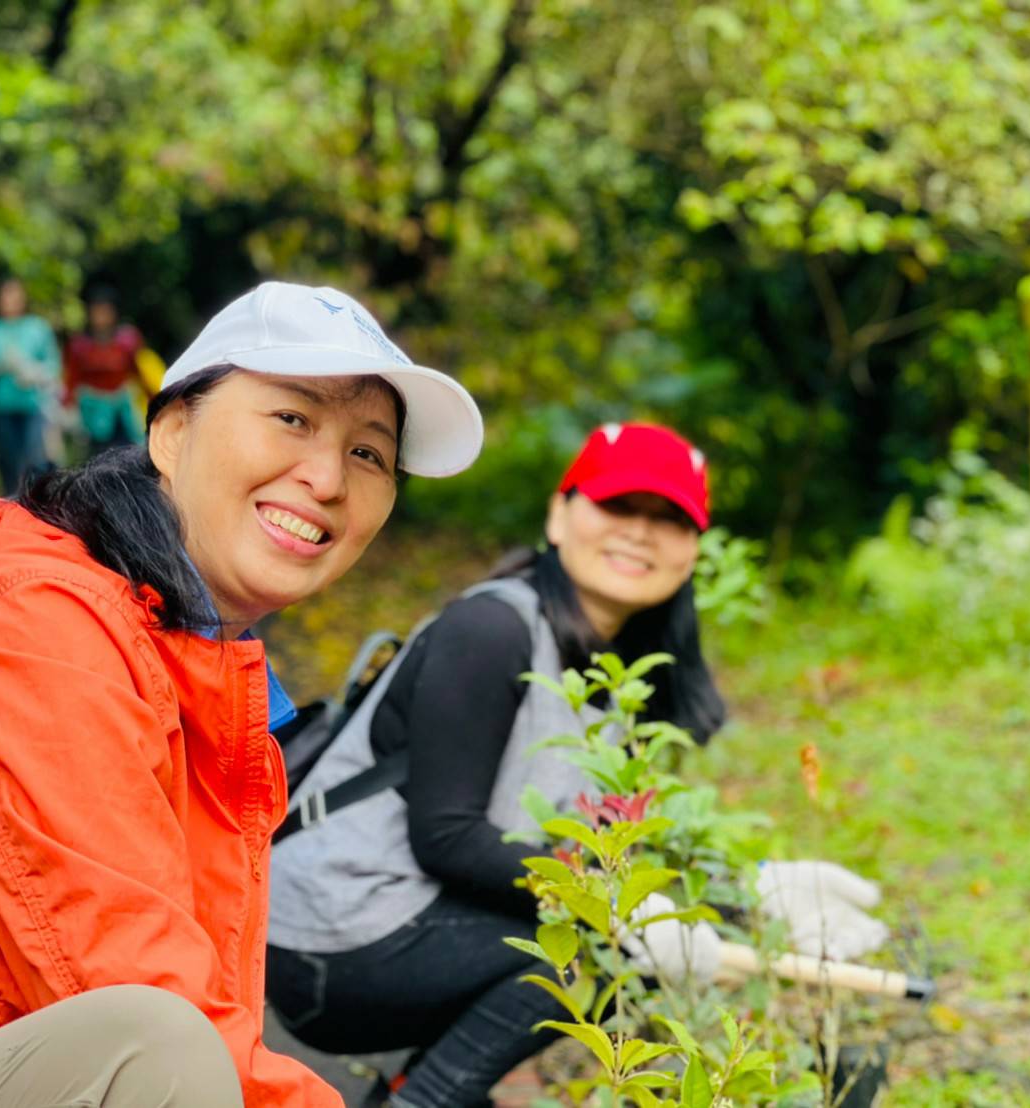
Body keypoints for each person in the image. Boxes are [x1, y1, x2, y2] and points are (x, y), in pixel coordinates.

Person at [0, 281, 484, 1108]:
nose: (329, 477)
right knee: (157, 1043)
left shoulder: (189, 662)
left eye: (370, 452)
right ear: (172, 428)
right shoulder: (36, 627)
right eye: (292, 418)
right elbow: (144, 990)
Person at [267, 422, 890, 1108]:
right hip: (326, 938)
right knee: (610, 944)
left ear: (693, 550)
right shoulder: (493, 630)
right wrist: (625, 911)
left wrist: (752, 894)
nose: (641, 533)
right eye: (619, 505)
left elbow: (608, 848)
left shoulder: (618, 679)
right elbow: (447, 837)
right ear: (559, 515)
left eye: (671, 519)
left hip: (411, 920)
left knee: (629, 930)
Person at [0, 276, 61, 494]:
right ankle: (10, 505)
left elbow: (52, 363)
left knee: (35, 459)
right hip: (0, 407)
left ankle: (36, 509)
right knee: (8, 461)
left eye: (14, 295)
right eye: (4, 295)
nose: (9, 300)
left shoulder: (37, 327)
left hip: (32, 404)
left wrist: (36, 372)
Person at [63, 284, 153, 453]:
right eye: (97, 311)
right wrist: (66, 408)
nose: (101, 317)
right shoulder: (79, 345)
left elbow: (139, 373)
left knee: (128, 453)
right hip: (92, 414)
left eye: (105, 311)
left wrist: (155, 400)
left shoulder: (127, 340)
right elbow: (71, 380)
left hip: (121, 410)